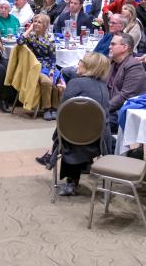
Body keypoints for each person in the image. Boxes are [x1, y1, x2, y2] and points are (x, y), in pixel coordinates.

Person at [38, 52, 112, 194]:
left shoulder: (75, 83)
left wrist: (63, 92)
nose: (77, 64)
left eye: (81, 61)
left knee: (67, 130)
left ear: (88, 66)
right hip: (100, 140)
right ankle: (81, 168)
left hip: (75, 139)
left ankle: (70, 181)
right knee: (76, 127)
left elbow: (63, 112)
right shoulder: (104, 86)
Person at [17, 13, 61, 120]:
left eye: (39, 22)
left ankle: (54, 109)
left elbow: (53, 58)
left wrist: (51, 72)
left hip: (49, 66)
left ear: (45, 25)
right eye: (35, 21)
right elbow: (19, 41)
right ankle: (47, 108)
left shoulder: (50, 38)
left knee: (55, 82)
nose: (36, 24)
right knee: (47, 82)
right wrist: (30, 28)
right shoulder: (31, 37)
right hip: (36, 66)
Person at [106, 31, 146, 132]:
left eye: (113, 44)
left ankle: (110, 146)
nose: (109, 47)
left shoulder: (134, 66)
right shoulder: (112, 63)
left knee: (89, 121)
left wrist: (103, 108)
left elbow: (125, 96)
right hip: (109, 107)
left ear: (125, 47)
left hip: (120, 112)